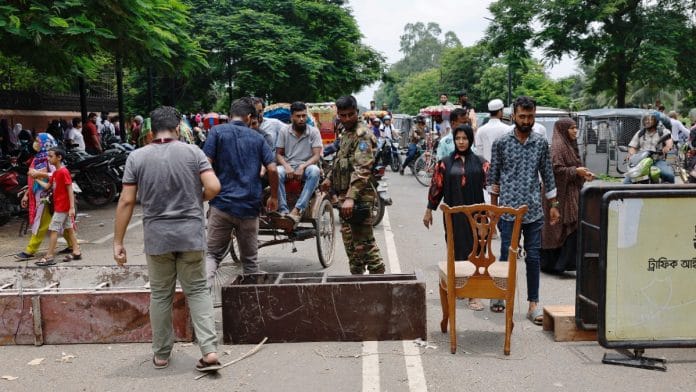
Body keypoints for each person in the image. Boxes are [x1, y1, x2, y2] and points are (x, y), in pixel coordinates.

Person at [113, 106, 223, 372]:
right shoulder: (193, 152)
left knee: (160, 295)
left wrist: (118, 241)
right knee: (197, 290)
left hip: (157, 237)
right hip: (190, 235)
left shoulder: (137, 157)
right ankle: (209, 351)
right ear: (177, 129)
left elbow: (127, 200)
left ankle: (161, 355)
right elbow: (214, 187)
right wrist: (197, 200)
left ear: (151, 131)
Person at [489, 96, 560, 324]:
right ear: (514, 116)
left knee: (533, 258)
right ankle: (500, 296)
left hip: (533, 211)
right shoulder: (501, 143)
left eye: (530, 116)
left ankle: (533, 305)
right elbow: (494, 177)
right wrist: (493, 208)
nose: (527, 120)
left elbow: (548, 175)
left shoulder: (540, 143)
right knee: (506, 256)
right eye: (522, 116)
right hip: (507, 210)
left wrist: (554, 206)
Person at [204, 97, 279, 281]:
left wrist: (209, 190)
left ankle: (200, 298)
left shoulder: (217, 132)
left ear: (230, 116)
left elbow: (206, 163)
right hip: (249, 207)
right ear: (249, 117)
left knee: (212, 255)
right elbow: (272, 169)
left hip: (221, 205)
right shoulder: (258, 138)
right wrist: (274, 197)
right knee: (250, 262)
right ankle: (251, 305)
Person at [423, 124, 488, 311]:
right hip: (453, 215)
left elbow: (491, 187)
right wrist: (429, 210)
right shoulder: (445, 163)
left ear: (470, 140)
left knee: (476, 250)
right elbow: (437, 187)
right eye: (458, 138)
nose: (461, 142)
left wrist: (492, 213)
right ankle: (461, 286)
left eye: (465, 138)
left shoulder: (481, 163)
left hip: (477, 215)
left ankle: (474, 295)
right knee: (455, 249)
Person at [321, 95, 385, 275]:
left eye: (351, 114)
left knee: (365, 245)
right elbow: (341, 160)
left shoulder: (362, 135)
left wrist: (350, 197)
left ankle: (380, 286)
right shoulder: (345, 133)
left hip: (359, 198)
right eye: (343, 115)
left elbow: (362, 169)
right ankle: (358, 286)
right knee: (351, 246)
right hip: (345, 198)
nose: (347, 118)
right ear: (338, 115)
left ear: (357, 112)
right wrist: (329, 179)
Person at [541, 119, 594, 274]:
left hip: (570, 192)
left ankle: (564, 263)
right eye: (572, 128)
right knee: (557, 227)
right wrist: (576, 172)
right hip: (557, 194)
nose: (575, 131)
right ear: (563, 129)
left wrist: (583, 173)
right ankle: (553, 264)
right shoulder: (558, 147)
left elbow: (574, 166)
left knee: (570, 227)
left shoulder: (570, 145)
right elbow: (555, 170)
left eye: (576, 127)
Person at [15, 134, 76, 261]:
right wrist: (27, 194)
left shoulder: (51, 159)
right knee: (63, 223)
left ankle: (31, 250)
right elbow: (34, 180)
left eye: (38, 141)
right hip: (42, 196)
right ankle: (72, 246)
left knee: (41, 223)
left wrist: (39, 173)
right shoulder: (37, 158)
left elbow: (56, 175)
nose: (35, 143)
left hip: (48, 197)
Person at [30, 147, 82, 266]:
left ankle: (49, 256)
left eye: (50, 156)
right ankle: (76, 251)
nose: (48, 158)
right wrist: (36, 179)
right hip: (60, 206)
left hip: (62, 207)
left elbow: (70, 189)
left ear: (59, 158)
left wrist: (72, 207)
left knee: (53, 230)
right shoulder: (56, 173)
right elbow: (48, 186)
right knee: (69, 229)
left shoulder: (63, 172)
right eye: (48, 156)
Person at [275, 101, 323, 223]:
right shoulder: (284, 131)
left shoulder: (313, 132)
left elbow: (316, 156)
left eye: (304, 116)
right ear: (291, 117)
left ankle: (298, 209)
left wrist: (303, 166)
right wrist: (286, 166)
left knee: (315, 171)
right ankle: (283, 210)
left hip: (307, 166)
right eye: (298, 116)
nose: (302, 119)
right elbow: (278, 154)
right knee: (276, 172)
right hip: (288, 166)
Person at [474, 99, 510, 203]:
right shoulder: (507, 129)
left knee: (488, 201)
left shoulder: (481, 130)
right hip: (504, 172)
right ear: (500, 111)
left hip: (486, 172)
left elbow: (479, 153)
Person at [624, 112, 674, 183]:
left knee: (669, 175)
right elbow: (633, 147)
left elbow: (669, 141)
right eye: (645, 120)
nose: (647, 121)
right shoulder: (640, 133)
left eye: (650, 120)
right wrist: (631, 154)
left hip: (657, 160)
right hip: (641, 162)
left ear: (656, 121)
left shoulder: (663, 131)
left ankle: (669, 193)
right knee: (627, 181)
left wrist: (667, 147)